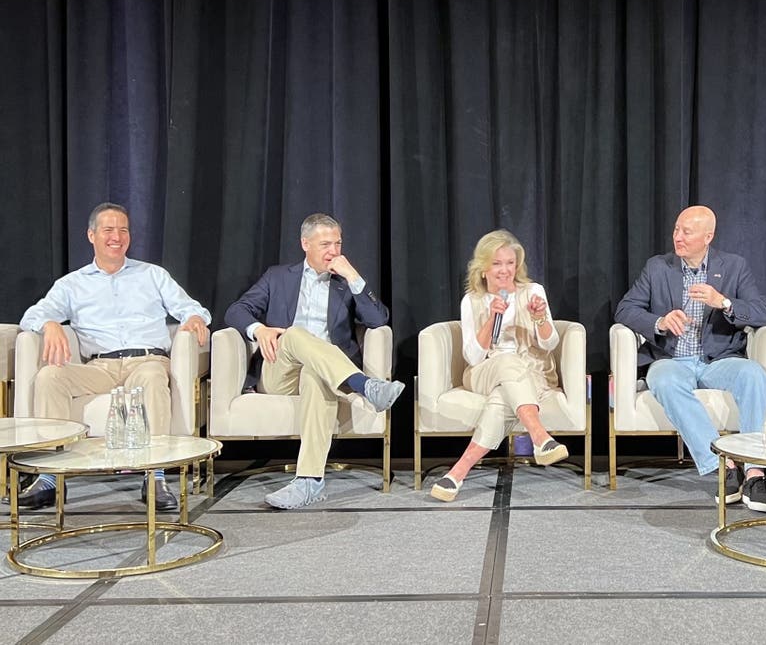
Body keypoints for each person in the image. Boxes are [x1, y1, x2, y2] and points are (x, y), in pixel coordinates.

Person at [14, 202, 211, 511]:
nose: (116, 237)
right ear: (91, 235)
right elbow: (32, 315)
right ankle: (51, 479)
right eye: (108, 230)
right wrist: (49, 323)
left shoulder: (152, 275)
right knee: (49, 376)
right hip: (100, 367)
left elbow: (192, 308)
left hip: (146, 360)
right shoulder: (72, 284)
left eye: (123, 230)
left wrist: (196, 318)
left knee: (151, 377)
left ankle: (154, 475)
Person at [225, 213, 404, 509]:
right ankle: (365, 386)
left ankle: (308, 482)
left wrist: (354, 278)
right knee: (295, 334)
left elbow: (378, 320)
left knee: (314, 374)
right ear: (305, 244)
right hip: (279, 372)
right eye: (325, 244)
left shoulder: (345, 283)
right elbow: (236, 310)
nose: (333, 251)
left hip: (324, 373)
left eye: (337, 243)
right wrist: (259, 329)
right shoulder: (278, 276)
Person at [614, 206, 766, 511]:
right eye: (677, 229)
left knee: (754, 374)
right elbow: (625, 309)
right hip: (673, 359)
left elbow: (764, 313)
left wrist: (724, 302)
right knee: (660, 378)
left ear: (708, 236)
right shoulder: (658, 267)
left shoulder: (733, 266)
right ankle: (723, 465)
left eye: (686, 231)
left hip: (718, 360)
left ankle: (755, 471)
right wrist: (659, 321)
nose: (678, 237)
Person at [429, 229, 569, 502]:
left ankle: (457, 473)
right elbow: (472, 357)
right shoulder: (472, 301)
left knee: (501, 398)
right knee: (506, 362)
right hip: (483, 371)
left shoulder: (533, 292)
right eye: (497, 264)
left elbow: (550, 343)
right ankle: (539, 436)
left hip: (532, 372)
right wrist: (491, 319)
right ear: (483, 269)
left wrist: (540, 318)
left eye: (510, 263)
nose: (505, 270)